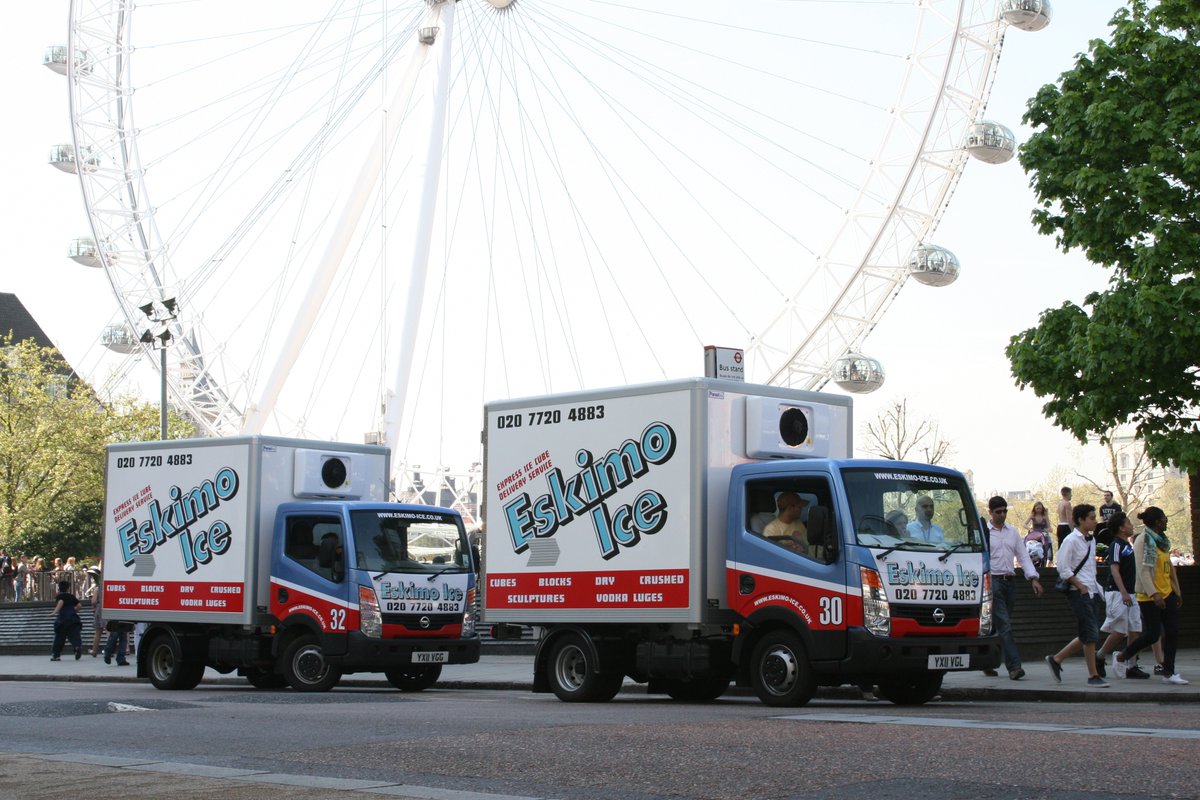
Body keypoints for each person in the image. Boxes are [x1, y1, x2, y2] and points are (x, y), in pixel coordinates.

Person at [1114, 507, 1187, 685]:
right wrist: (1154, 594)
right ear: (1156, 522)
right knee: (1153, 634)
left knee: (1172, 631)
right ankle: (1123, 656)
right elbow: (1143, 570)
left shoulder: (1162, 541)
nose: (1166, 521)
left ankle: (1169, 672)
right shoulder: (1144, 540)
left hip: (1167, 592)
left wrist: (1176, 591)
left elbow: (1167, 567)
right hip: (1149, 595)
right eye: (1164, 518)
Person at [1044, 504, 1107, 688]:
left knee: (1088, 633)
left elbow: (1091, 569)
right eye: (1092, 518)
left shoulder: (1091, 540)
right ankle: (1093, 675)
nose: (1095, 521)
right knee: (1091, 634)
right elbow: (1063, 568)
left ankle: (1056, 659)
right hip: (1079, 592)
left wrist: (1096, 590)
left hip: (1091, 591)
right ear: (1081, 520)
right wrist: (1080, 586)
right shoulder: (1070, 540)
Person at [982, 496, 1042, 680]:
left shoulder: (1013, 532)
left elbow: (1023, 556)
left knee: (998, 625)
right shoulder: (985, 533)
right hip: (993, 581)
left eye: (1004, 511)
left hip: (1010, 581)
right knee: (1005, 625)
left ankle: (986, 661)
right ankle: (1014, 667)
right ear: (990, 512)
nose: (1002, 515)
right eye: (998, 511)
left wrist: (1033, 578)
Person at [1095, 512, 1148, 679]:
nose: (1132, 526)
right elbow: (1114, 569)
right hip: (1118, 592)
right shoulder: (1116, 545)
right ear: (1121, 528)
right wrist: (1123, 592)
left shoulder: (1127, 545)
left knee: (1135, 629)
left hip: (1131, 593)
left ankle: (1132, 665)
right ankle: (1100, 655)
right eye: (1129, 523)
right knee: (1119, 630)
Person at [49, 579, 83, 661]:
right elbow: (79, 605)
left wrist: (54, 612)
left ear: (59, 588)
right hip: (73, 618)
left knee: (59, 637)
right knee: (74, 635)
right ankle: (77, 647)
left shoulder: (60, 596)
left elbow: (60, 603)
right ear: (68, 588)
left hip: (63, 619)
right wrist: (74, 610)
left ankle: (56, 655)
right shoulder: (71, 596)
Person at [1024, 501, 1053, 565]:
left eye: (1040, 508)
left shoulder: (1044, 516)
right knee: (1025, 540)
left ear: (1042, 508)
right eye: (1037, 508)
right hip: (1034, 533)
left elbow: (1050, 528)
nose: (1039, 510)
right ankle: (1026, 557)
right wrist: (1030, 529)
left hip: (1043, 533)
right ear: (1034, 508)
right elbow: (1024, 524)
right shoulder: (1032, 515)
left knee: (1047, 540)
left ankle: (1046, 556)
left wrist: (1046, 530)